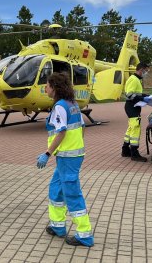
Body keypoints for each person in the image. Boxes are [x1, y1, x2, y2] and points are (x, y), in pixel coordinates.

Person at [36, 72, 94, 247]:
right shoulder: (73, 104)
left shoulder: (60, 106)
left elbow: (61, 131)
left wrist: (47, 153)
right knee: (56, 188)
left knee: (72, 193)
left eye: (47, 85)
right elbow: (82, 127)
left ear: (54, 88)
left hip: (68, 157)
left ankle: (84, 235)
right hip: (70, 156)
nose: (45, 88)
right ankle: (57, 225)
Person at [121, 63, 151, 162]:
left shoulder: (135, 79)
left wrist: (145, 95)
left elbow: (135, 93)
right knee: (135, 129)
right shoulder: (134, 79)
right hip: (132, 107)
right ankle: (134, 153)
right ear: (141, 69)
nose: (146, 73)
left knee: (131, 128)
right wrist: (143, 98)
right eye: (146, 71)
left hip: (133, 107)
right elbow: (130, 95)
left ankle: (125, 150)